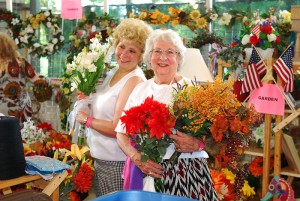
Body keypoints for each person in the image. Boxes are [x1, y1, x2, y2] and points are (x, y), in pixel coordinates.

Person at [116, 29, 217, 201]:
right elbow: (120, 133)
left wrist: (198, 143)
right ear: (149, 56)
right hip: (146, 171)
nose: (163, 57)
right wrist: (136, 157)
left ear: (178, 58)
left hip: (186, 173)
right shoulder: (141, 89)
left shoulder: (191, 89)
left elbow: (216, 135)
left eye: (170, 52)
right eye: (157, 51)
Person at [75, 18, 153, 196]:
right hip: (102, 160)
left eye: (132, 50)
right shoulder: (114, 72)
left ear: (142, 55)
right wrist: (88, 98)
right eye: (122, 46)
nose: (124, 54)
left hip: (116, 163)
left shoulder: (134, 80)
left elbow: (117, 128)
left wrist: (87, 120)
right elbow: (106, 105)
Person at [0, 32, 59, 123]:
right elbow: (37, 78)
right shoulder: (20, 62)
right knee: (19, 136)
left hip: (1, 111)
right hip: (19, 111)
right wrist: (54, 82)